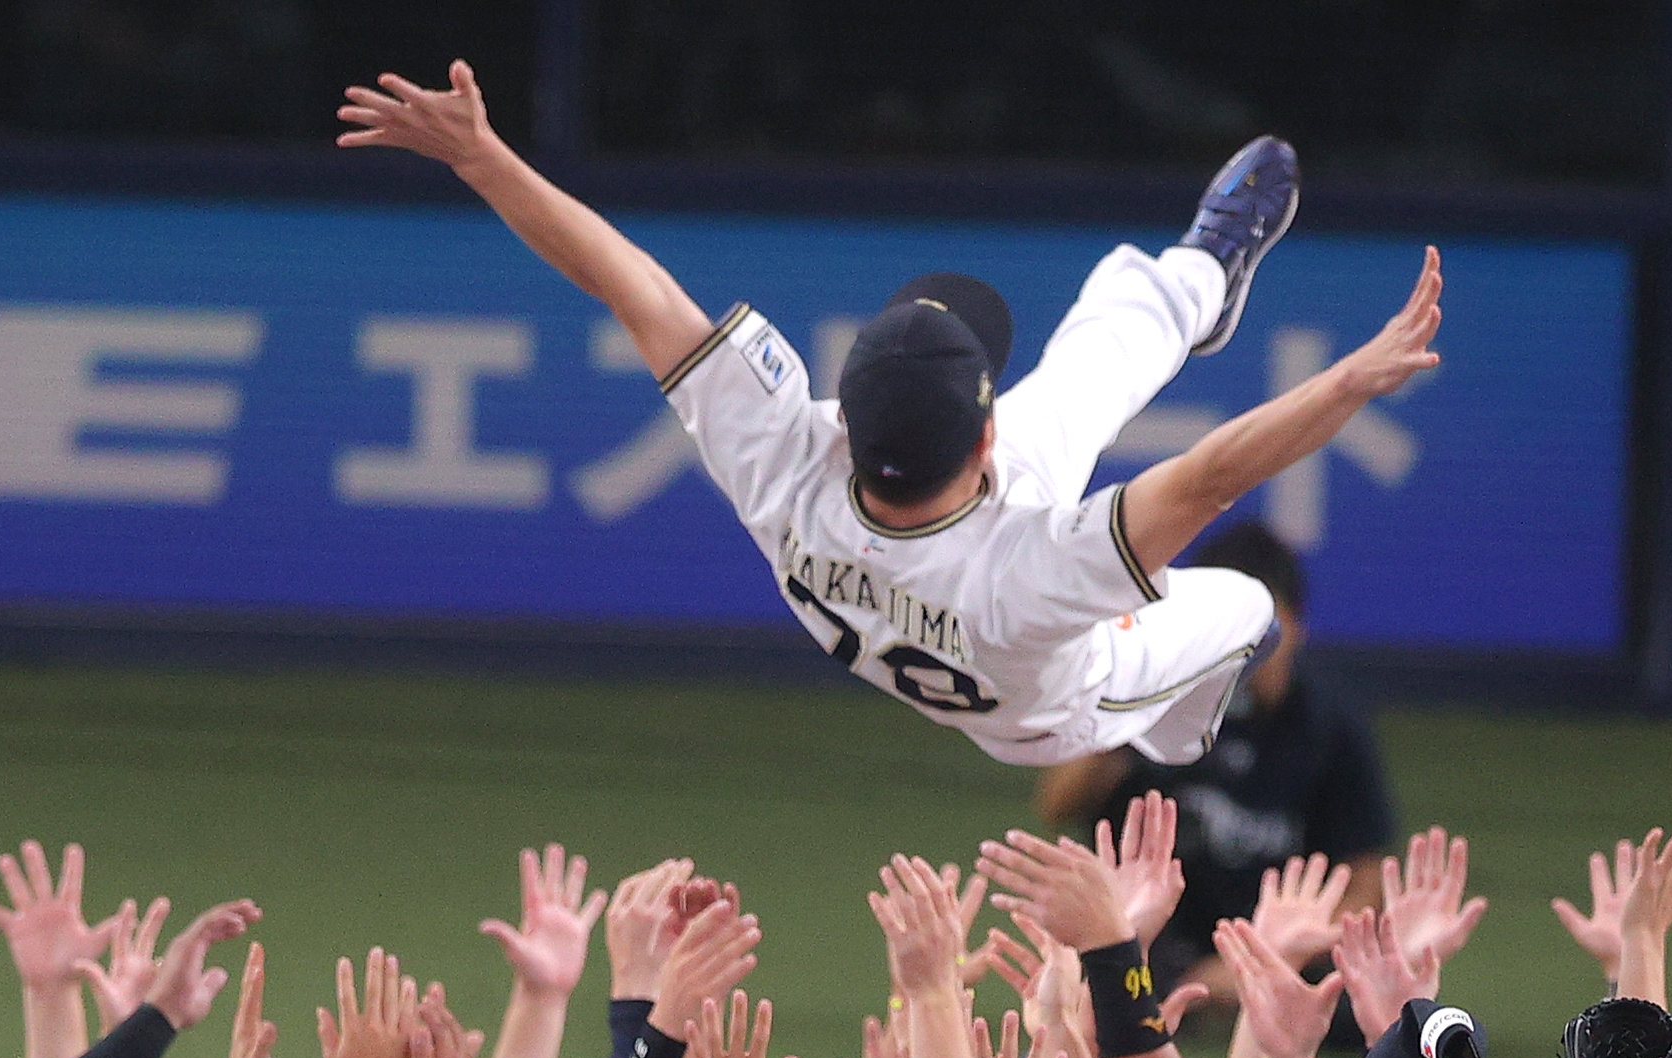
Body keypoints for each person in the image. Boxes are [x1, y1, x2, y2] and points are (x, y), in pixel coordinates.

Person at [341, 64, 1443, 770]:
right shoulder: (1029, 573)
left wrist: (483, 158)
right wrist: (1347, 383)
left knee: (1095, 361)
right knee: (1246, 600)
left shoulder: (785, 463)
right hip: (1050, 706)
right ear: (983, 437)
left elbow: (630, 285)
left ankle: (1203, 272)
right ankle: (1178, 722)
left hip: (955, 591)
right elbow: (1207, 479)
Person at [1037, 520, 1401, 984]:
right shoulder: (1146, 695)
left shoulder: (1326, 725)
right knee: (1106, 967)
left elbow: (1365, 877)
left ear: (1298, 626)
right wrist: (1126, 718)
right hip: (1154, 940)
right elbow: (1057, 804)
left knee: (1370, 991)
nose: (1249, 651)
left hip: (1277, 949)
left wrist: (1272, 959)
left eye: (1266, 630)